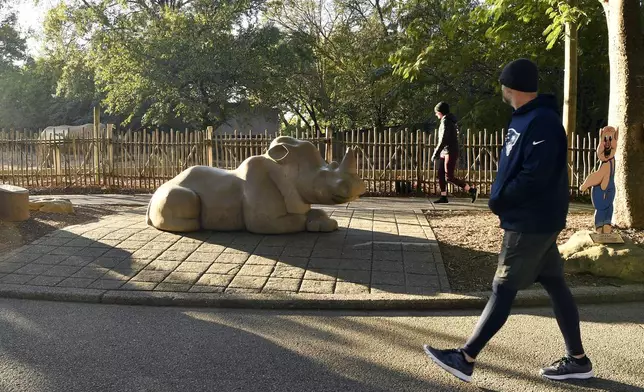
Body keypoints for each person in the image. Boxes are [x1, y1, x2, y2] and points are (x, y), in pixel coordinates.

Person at [422, 58, 593, 383]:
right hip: (532, 218)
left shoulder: (542, 121)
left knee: (503, 287)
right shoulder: (524, 119)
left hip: (531, 221)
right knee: (556, 285)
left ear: (512, 87)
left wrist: (502, 199)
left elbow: (535, 175)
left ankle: (465, 357)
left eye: (503, 84)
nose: (501, 89)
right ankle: (578, 360)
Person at [431, 102, 478, 203]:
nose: (436, 115)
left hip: (450, 151)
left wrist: (435, 152)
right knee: (441, 174)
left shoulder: (446, 122)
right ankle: (443, 196)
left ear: (440, 112)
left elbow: (443, 139)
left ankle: (471, 190)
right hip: (445, 150)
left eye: (436, 112)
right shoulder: (448, 121)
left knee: (449, 176)